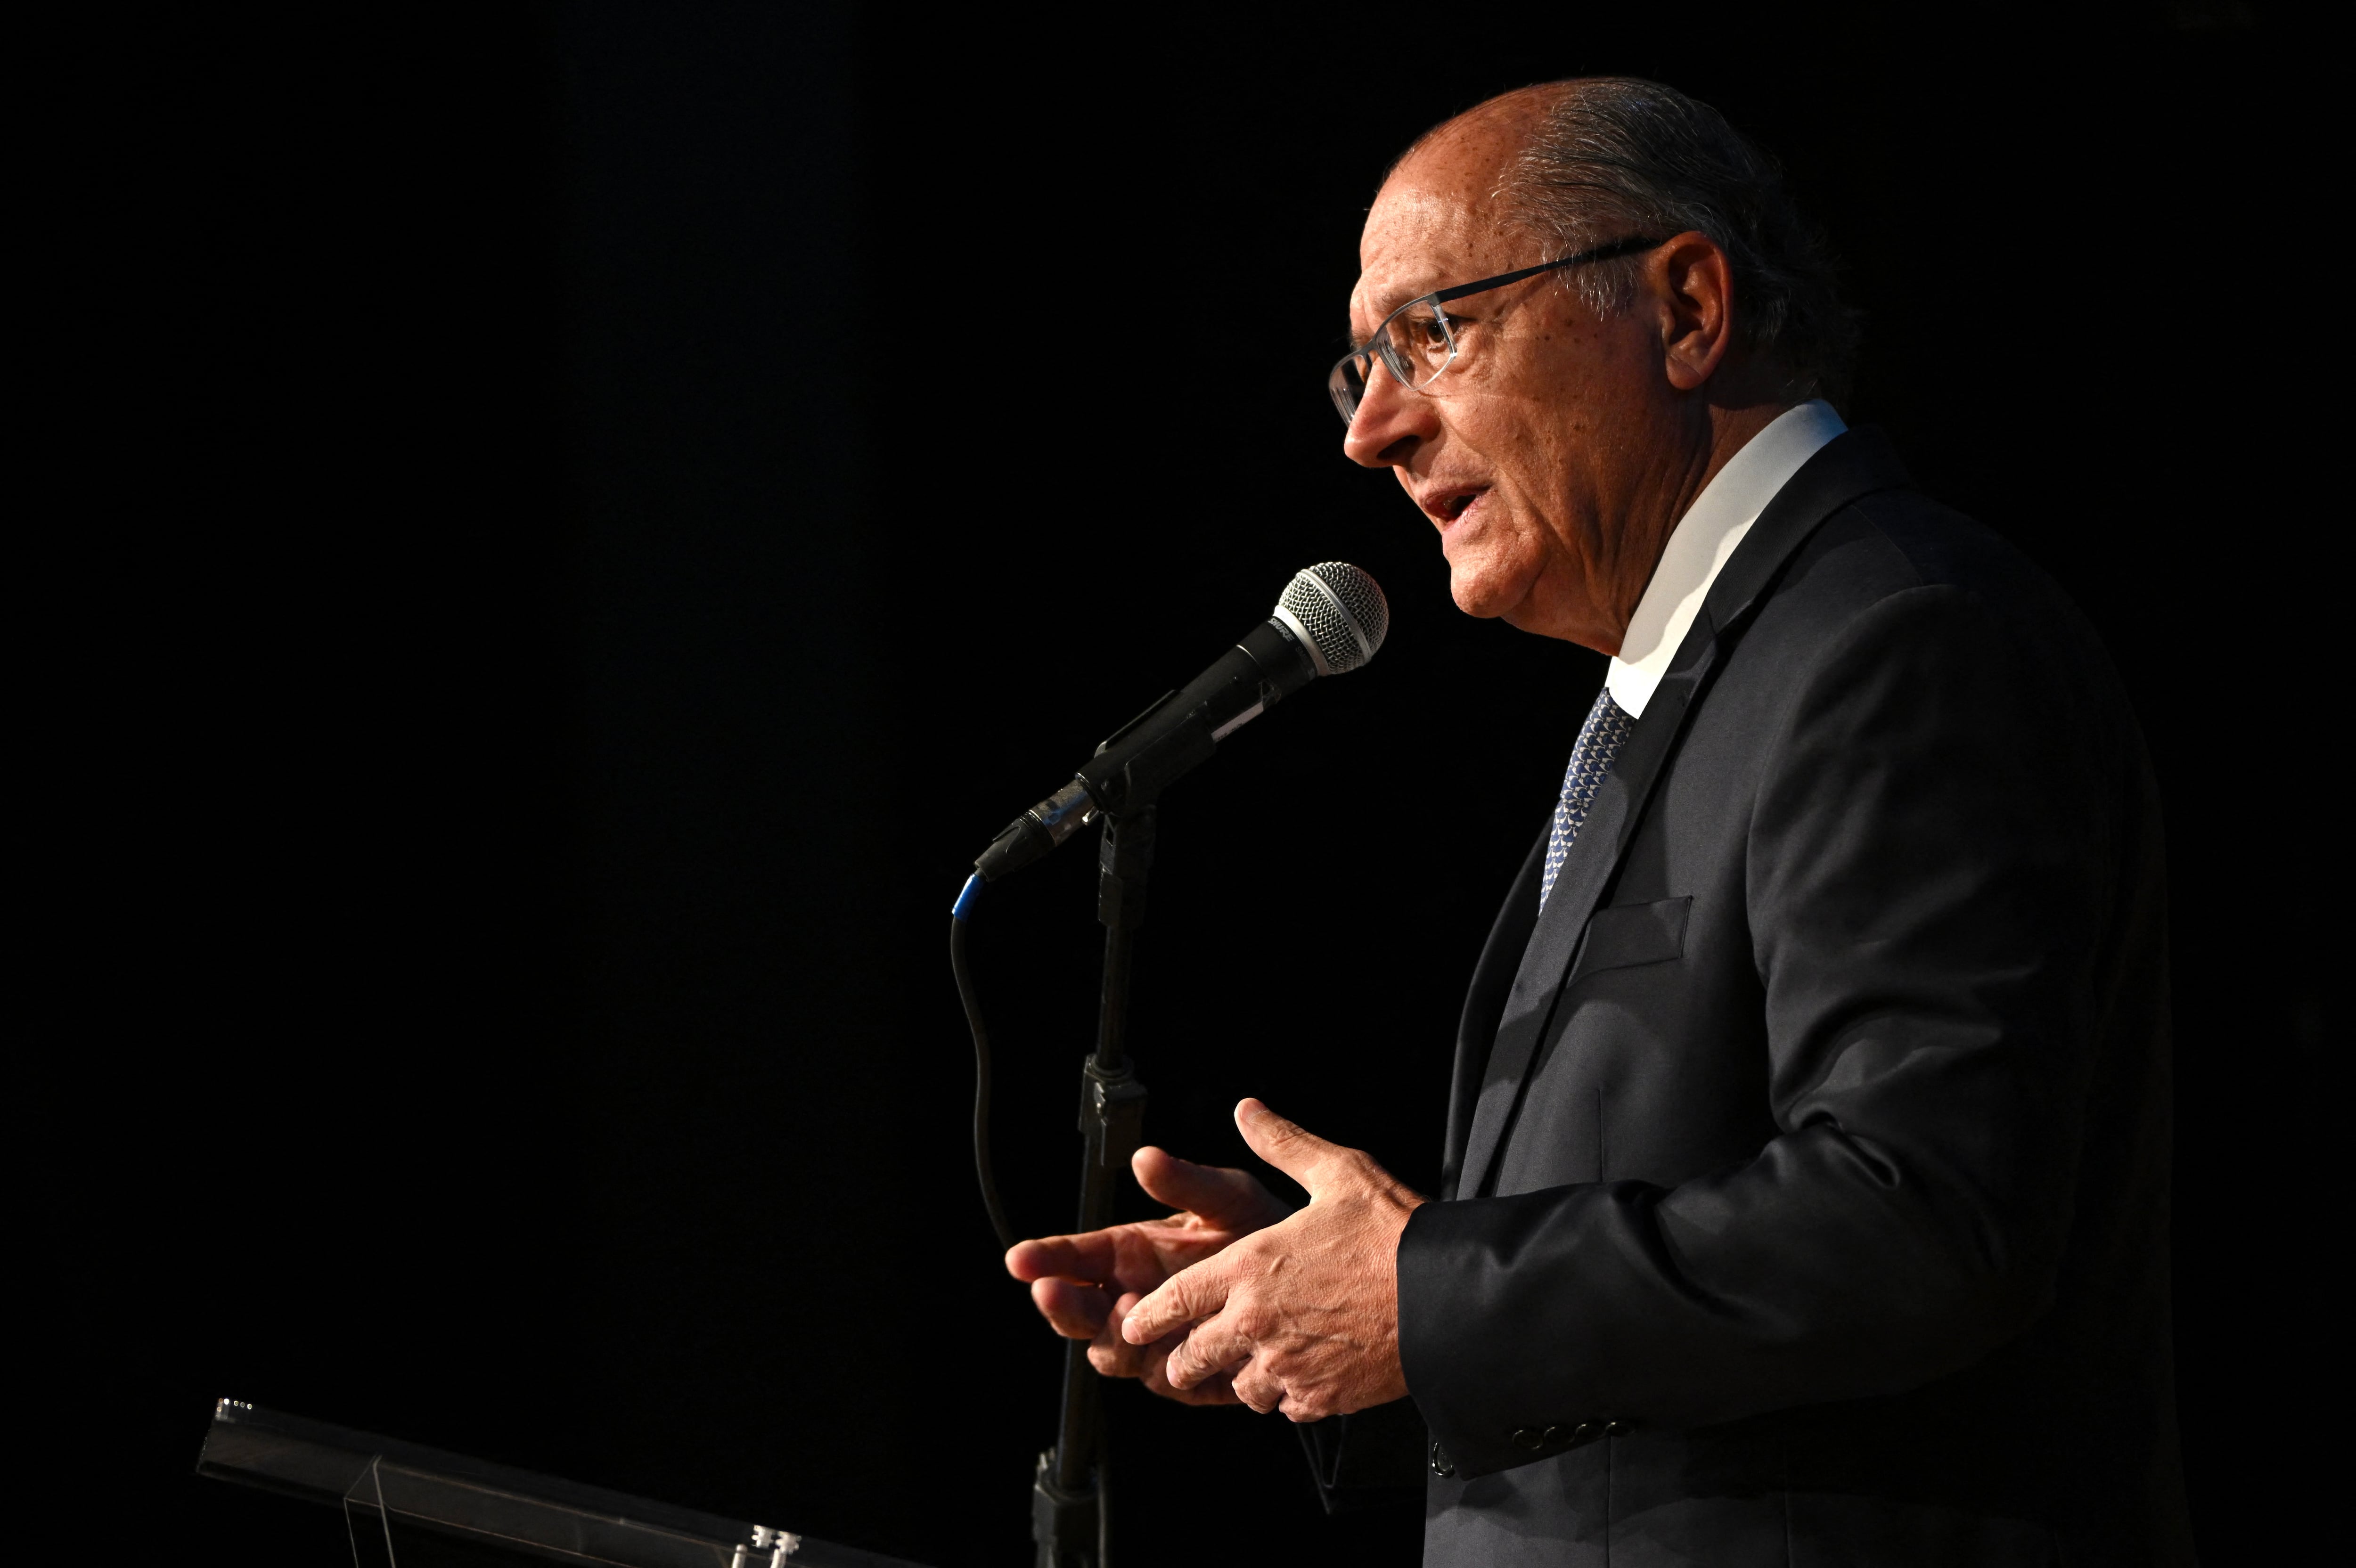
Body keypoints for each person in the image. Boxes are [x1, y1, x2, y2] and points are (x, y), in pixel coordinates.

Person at [1006, 77, 2191, 1566]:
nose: (1373, 430)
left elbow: (1923, 1219)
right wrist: (1325, 1300)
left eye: (1434, 332)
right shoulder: (1688, 687)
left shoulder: (1900, 642)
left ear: (1687, 309)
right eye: (1361, 365)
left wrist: (1426, 1295)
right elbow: (1684, 1323)